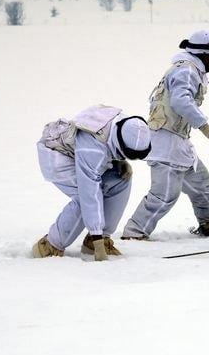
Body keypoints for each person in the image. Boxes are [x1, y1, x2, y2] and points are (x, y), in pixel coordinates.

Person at [122, 30, 209, 240]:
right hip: (165, 142)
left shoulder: (191, 70)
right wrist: (205, 127)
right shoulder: (186, 71)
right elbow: (180, 101)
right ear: (203, 54)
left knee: (202, 186)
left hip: (180, 142)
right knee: (164, 194)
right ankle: (134, 233)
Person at [33, 104, 151, 261]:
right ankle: (50, 245)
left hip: (81, 154)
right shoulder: (92, 150)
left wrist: (119, 161)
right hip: (57, 157)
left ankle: (95, 240)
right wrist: (97, 239)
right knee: (84, 198)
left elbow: (110, 146)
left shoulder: (131, 126)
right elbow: (89, 193)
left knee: (120, 180)